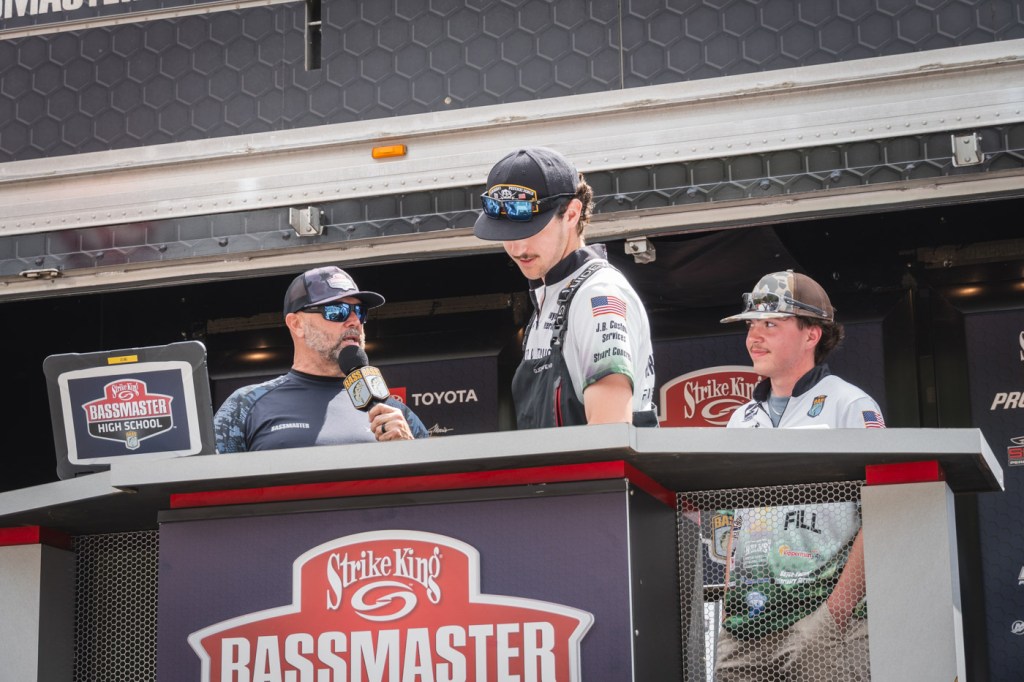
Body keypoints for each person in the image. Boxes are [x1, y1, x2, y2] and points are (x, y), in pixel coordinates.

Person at [715, 270, 885, 681]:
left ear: (812, 334)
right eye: (751, 325)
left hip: (822, 621)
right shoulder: (740, 419)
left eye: (771, 324)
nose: (754, 337)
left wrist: (835, 614)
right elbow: (733, 524)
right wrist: (727, 610)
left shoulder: (851, 405)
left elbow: (883, 515)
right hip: (744, 626)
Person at [473, 146, 656, 428]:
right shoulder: (550, 297)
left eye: (529, 230)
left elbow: (611, 433)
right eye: (505, 233)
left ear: (571, 214)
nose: (517, 248)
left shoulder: (597, 295)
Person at [213, 265, 428, 452]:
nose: (354, 321)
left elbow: (435, 484)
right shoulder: (245, 405)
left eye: (360, 311)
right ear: (297, 324)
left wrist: (408, 450)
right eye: (337, 311)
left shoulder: (393, 412)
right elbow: (209, 479)